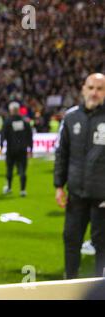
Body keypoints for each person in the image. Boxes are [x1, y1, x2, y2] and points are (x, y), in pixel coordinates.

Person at [54, 73, 105, 279]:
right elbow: (61, 152)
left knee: (102, 244)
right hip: (75, 193)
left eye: (100, 89)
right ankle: (70, 281)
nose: (94, 93)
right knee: (71, 239)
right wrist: (59, 185)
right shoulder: (71, 117)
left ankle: (99, 287)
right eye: (91, 88)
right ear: (83, 89)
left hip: (102, 196)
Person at [0, 102, 33, 197]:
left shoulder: (8, 121)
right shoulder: (24, 121)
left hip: (11, 149)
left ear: (11, 110)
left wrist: (2, 146)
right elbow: (30, 135)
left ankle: (9, 188)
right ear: (18, 110)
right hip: (22, 149)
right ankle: (22, 190)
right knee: (23, 170)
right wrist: (30, 148)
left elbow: (3, 134)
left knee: (9, 169)